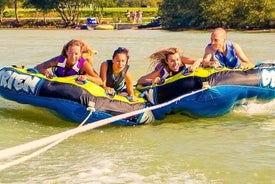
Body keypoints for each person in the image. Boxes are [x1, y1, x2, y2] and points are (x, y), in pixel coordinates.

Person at [34, 39, 102, 86]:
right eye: (70, 53)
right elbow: (37, 67)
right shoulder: (59, 60)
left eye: (76, 53)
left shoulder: (84, 64)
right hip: (57, 83)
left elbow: (100, 81)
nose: (73, 56)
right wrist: (44, 71)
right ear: (66, 52)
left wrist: (86, 77)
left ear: (80, 54)